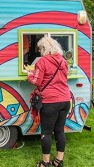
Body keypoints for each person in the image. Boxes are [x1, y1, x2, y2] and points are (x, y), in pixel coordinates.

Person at [26, 36, 71, 167]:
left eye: (40, 49)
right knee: (59, 130)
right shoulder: (63, 61)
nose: (39, 51)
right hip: (64, 100)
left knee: (46, 132)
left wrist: (29, 74)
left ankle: (45, 163)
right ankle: (58, 161)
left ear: (44, 48)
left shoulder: (42, 62)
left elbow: (37, 82)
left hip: (50, 101)